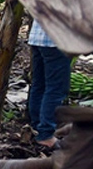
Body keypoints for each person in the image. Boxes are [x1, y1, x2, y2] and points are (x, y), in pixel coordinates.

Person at [27, 19, 72, 149]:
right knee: (56, 88)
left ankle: (36, 127)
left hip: (37, 37)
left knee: (40, 85)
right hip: (56, 40)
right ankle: (45, 134)